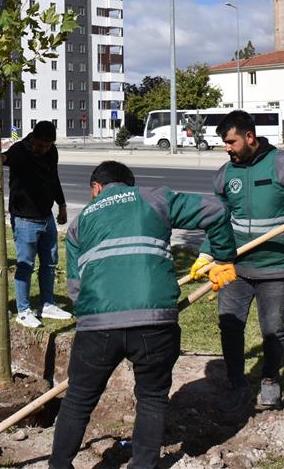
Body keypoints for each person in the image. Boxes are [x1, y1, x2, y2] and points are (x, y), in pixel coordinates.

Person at [50, 161, 237, 469]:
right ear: (130, 184)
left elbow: (75, 288)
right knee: (151, 398)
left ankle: (59, 465)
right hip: (155, 322)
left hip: (97, 326)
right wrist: (224, 258)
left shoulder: (78, 223)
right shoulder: (154, 198)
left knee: (78, 400)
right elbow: (216, 210)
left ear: (96, 188)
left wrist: (96, 314)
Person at [190, 110, 284, 412]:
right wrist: (206, 255)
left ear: (249, 137)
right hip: (234, 267)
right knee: (230, 326)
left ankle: (270, 378)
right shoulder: (224, 174)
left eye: (231, 142)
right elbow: (219, 222)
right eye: (224, 143)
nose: (227, 148)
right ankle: (236, 380)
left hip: (277, 266)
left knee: (272, 329)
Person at [2, 120, 70, 328]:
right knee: (25, 265)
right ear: (33, 138)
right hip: (24, 219)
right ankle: (23, 311)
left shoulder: (51, 152)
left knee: (49, 263)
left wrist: (62, 205)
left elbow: (53, 178)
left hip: (46, 217)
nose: (44, 150)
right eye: (40, 145)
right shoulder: (19, 150)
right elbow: (2, 159)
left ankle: (47, 304)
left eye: (48, 146)